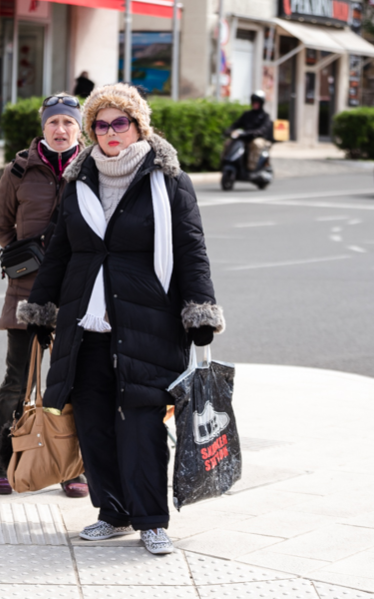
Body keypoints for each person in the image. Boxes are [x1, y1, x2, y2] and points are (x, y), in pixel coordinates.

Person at [18, 83, 224, 555]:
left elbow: (192, 250)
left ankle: (151, 520)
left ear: (138, 126)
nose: (111, 132)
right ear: (91, 131)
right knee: (93, 424)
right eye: (101, 125)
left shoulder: (169, 181)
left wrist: (200, 311)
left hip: (147, 322)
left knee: (141, 424)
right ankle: (112, 512)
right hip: (85, 325)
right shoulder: (79, 180)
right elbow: (60, 251)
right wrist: (41, 308)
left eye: (120, 122)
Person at [0, 93, 88, 498]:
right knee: (17, 382)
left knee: (75, 382)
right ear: (43, 127)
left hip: (77, 291)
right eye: (53, 122)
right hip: (27, 293)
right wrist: (28, 257)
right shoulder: (19, 169)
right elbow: (0, 223)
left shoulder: (92, 168)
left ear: (79, 128)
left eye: (68, 122)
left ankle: (73, 469)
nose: (61, 129)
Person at [227, 90, 273, 171]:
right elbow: (236, 124)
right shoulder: (247, 114)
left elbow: (262, 130)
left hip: (258, 138)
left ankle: (251, 168)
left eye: (257, 102)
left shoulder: (265, 116)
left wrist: (247, 133)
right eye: (254, 102)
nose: (255, 104)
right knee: (229, 142)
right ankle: (227, 162)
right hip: (245, 137)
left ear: (261, 103)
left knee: (256, 144)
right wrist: (229, 131)